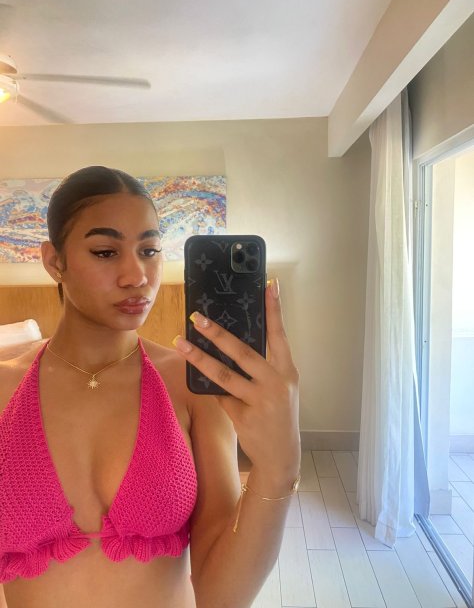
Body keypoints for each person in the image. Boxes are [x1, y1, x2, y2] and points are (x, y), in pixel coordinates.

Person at [0, 166, 301, 608]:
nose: (136, 275)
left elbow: (221, 596)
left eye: (150, 250)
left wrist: (278, 468)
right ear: (54, 261)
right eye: (105, 252)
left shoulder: (190, 385)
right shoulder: (4, 389)